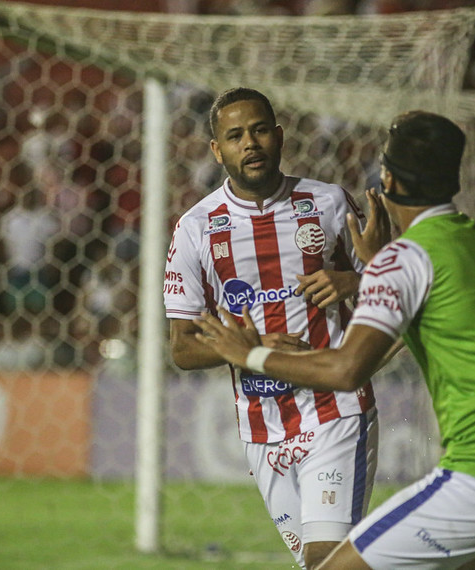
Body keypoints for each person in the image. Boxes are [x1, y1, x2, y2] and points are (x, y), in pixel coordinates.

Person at [193, 110, 475, 569]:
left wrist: (249, 353)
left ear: (387, 178)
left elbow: (345, 370)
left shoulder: (403, 262)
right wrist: (373, 269)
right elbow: (439, 313)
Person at [163, 87, 379, 569]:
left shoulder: (327, 203)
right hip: (262, 426)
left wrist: (353, 280)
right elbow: (182, 348)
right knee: (320, 564)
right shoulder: (196, 228)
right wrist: (251, 348)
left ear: (279, 136)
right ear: (218, 150)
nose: (250, 143)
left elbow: (393, 284)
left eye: (259, 130)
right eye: (235, 136)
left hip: (334, 409)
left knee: (327, 562)